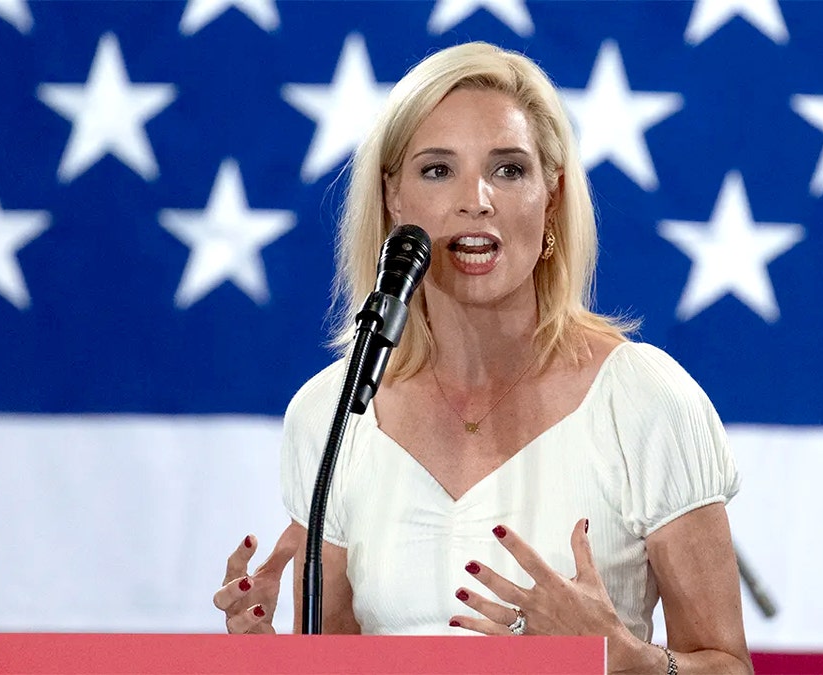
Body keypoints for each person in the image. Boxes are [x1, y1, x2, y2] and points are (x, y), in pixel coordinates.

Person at [213, 41, 752, 674]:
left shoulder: (646, 400)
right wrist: (265, 660)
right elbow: (337, 660)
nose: (477, 199)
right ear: (393, 199)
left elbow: (729, 667)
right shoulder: (331, 413)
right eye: (438, 170)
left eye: (509, 169)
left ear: (551, 196)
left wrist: (625, 659)